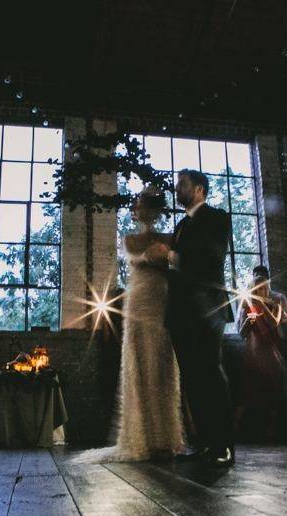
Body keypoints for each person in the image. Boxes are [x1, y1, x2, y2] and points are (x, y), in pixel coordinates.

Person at [77, 188, 184, 462]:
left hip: (163, 301)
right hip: (139, 303)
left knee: (161, 366)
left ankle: (164, 438)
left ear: (157, 211)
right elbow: (137, 258)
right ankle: (143, 438)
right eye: (140, 206)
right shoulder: (130, 239)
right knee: (140, 364)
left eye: (147, 206)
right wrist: (154, 256)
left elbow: (178, 263)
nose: (142, 211)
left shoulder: (171, 237)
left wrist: (169, 256)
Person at [163, 169, 235, 468]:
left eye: (182, 185)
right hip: (181, 312)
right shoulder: (181, 225)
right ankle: (204, 442)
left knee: (211, 373)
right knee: (192, 379)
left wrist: (170, 257)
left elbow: (212, 257)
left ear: (200, 189)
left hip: (207, 309)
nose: (176, 189)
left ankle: (224, 445)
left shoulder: (217, 217)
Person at [235, 274, 287, 440]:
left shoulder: (276, 303)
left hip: (271, 348)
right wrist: (249, 322)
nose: (261, 290)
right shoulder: (248, 305)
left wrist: (263, 305)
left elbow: (275, 322)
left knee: (273, 388)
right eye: (258, 287)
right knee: (247, 389)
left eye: (264, 287)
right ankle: (235, 427)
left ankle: (270, 430)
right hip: (254, 350)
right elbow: (241, 332)